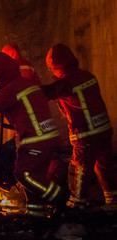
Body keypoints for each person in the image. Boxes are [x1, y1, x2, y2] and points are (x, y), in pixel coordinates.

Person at [0, 52, 64, 220]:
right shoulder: (25, 83)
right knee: (36, 179)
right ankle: (37, 218)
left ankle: (59, 196)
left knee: (23, 174)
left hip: (35, 140)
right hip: (46, 138)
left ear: (1, 73)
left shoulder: (14, 88)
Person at [42, 44, 117, 211]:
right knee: (104, 166)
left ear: (57, 66)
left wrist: (24, 89)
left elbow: (46, 93)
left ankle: (76, 207)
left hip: (86, 133)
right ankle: (113, 203)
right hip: (103, 129)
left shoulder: (67, 82)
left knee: (79, 169)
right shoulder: (87, 75)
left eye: (52, 69)